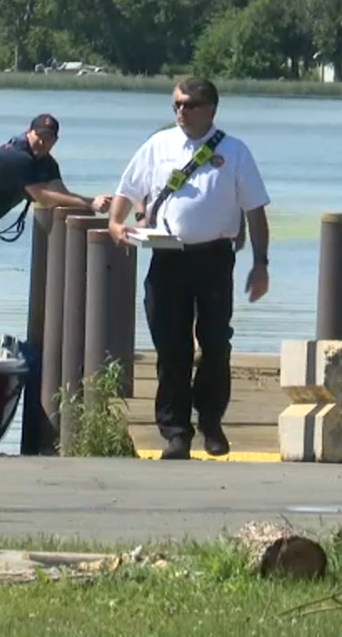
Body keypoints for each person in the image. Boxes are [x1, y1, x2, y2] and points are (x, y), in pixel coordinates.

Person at [108, 77, 271, 460]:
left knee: (215, 344)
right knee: (171, 348)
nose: (181, 112)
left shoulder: (234, 152)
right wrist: (117, 225)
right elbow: (126, 193)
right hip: (167, 257)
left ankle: (211, 422)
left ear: (210, 110)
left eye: (189, 105)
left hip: (214, 258)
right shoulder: (158, 146)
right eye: (176, 105)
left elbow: (256, 212)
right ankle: (176, 432)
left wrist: (260, 264)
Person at [0, 114, 112, 359]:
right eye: (39, 136)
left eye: (48, 139)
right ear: (29, 132)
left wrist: (90, 206)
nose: (42, 143)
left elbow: (59, 192)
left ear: (55, 140)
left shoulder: (47, 163)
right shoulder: (17, 157)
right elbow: (43, 196)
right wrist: (90, 202)